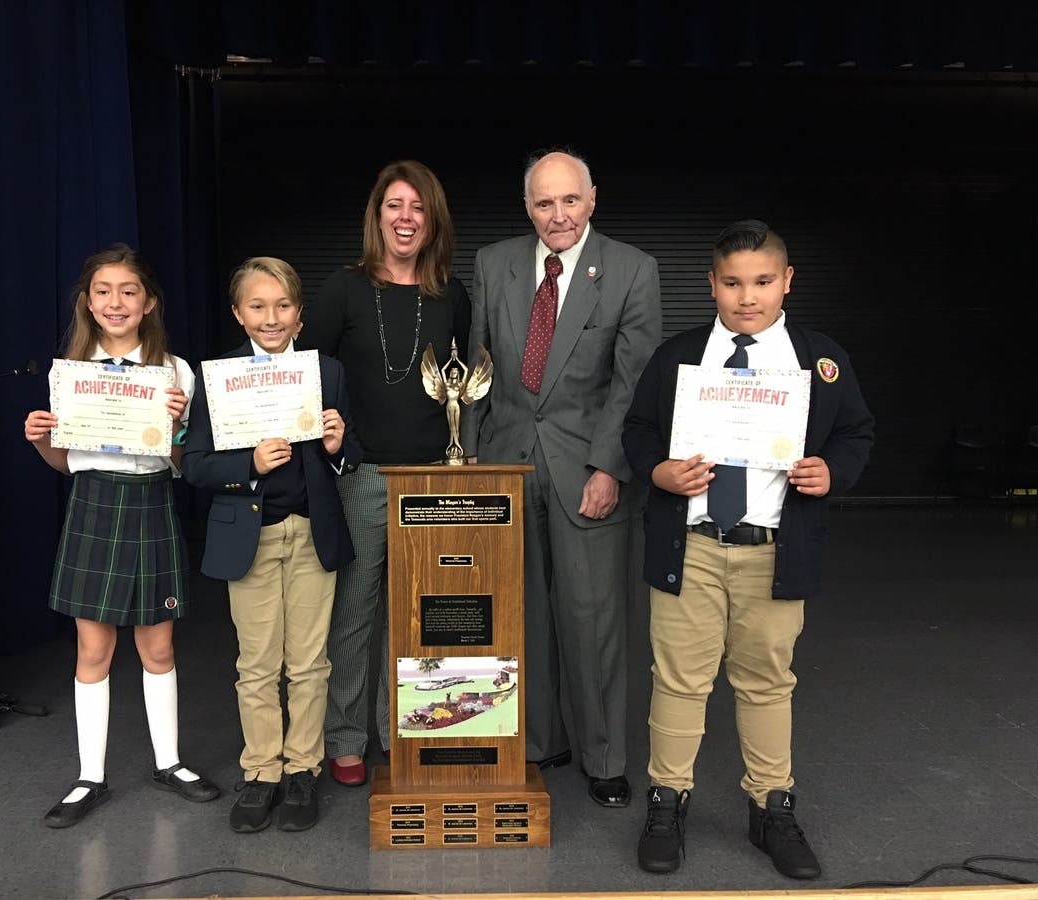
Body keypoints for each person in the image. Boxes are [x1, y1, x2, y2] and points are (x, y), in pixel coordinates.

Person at [621, 220, 874, 878]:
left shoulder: (820, 360)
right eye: (732, 283)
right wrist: (658, 471)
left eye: (762, 281)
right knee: (679, 680)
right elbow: (639, 427)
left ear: (787, 281)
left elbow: (856, 431)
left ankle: (772, 808)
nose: (747, 296)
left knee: (767, 682)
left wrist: (832, 471)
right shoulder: (679, 357)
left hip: (774, 550)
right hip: (692, 546)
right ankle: (667, 801)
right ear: (712, 284)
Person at [463, 149, 662, 808]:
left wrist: (609, 467)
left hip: (587, 469)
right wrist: (470, 460)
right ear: (528, 208)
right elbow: (478, 369)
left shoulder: (632, 269)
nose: (559, 215)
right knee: (517, 611)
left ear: (592, 198)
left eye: (570, 200)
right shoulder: (493, 264)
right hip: (506, 464)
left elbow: (633, 383)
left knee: (593, 619)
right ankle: (539, 739)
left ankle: (604, 757)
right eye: (544, 203)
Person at [24, 244, 220, 829]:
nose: (116, 302)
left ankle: (169, 763)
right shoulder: (70, 373)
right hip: (93, 504)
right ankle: (90, 777)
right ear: (88, 302)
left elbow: (184, 462)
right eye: (103, 291)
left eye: (129, 291)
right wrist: (40, 440)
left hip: (152, 502)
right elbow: (66, 463)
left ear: (149, 302)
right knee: (93, 650)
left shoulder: (176, 372)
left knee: (158, 648)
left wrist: (180, 426)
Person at [298, 160, 471, 787]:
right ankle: (345, 736)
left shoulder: (452, 296)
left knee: (420, 614)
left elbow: (464, 386)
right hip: (361, 476)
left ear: (433, 220)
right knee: (354, 613)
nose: (406, 217)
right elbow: (306, 376)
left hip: (433, 479)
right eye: (394, 205)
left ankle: (409, 729)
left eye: (418, 207)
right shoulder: (344, 290)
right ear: (377, 216)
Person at [182, 257, 361, 833]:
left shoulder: (326, 372)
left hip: (312, 533)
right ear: (238, 313)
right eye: (258, 306)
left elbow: (351, 454)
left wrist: (337, 447)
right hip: (250, 536)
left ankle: (303, 769)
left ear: (299, 313)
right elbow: (195, 465)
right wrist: (249, 466)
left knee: (309, 663)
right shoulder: (219, 378)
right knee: (257, 665)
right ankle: (262, 772)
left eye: (283, 305)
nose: (271, 317)